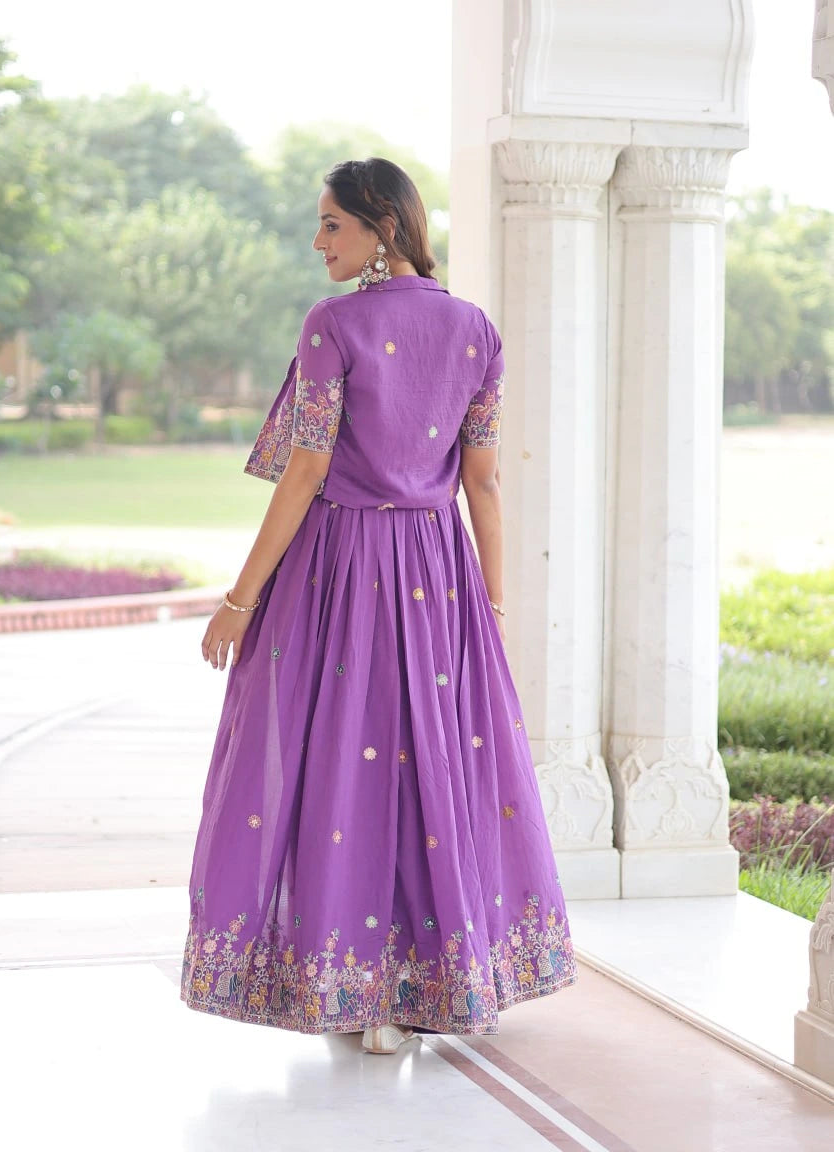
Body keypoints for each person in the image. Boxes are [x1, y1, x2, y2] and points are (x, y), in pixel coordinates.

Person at [180, 157, 578, 1054]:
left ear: (381, 229)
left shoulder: (333, 325)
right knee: (425, 767)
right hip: (440, 576)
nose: (317, 241)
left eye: (331, 224)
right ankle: (417, 989)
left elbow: (307, 470)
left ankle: (354, 989)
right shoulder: (475, 329)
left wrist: (240, 601)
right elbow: (482, 486)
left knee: (338, 769)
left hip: (342, 570)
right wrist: (495, 606)